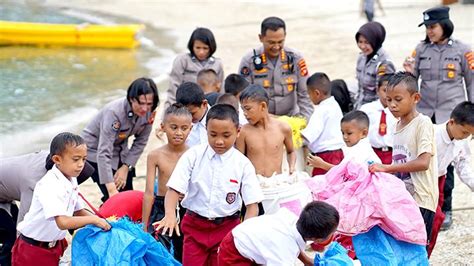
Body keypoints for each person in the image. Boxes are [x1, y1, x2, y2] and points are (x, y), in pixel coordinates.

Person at [155, 104, 263, 266]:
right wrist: (170, 214)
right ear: (206, 130)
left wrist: (244, 232)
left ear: (238, 131)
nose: (219, 141)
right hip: (194, 226)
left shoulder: (243, 164)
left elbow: (252, 205)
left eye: (226, 135)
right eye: (213, 135)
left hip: (227, 228)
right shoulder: (193, 156)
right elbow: (174, 190)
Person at [403, 6, 472, 230]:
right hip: (426, 114)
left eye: (433, 27)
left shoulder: (463, 50)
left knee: (448, 165)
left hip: (451, 115)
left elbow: (472, 83)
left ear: (445, 25)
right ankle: (423, 207)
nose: (430, 31)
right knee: (425, 161)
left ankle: (446, 209)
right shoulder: (421, 49)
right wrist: (407, 72)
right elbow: (410, 82)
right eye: (427, 28)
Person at [11, 132, 111, 265]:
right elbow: (62, 222)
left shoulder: (71, 178)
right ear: (57, 159)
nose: (81, 164)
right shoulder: (50, 184)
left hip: (56, 244)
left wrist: (103, 221)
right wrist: (94, 220)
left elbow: (79, 211)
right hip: (33, 248)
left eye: (84, 159)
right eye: (76, 159)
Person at [369, 72, 438, 248]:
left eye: (398, 99)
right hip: (404, 198)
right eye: (389, 99)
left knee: (415, 251)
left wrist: (386, 168)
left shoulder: (422, 123)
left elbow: (423, 162)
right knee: (401, 250)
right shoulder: (398, 125)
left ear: (415, 98)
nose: (392, 105)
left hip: (421, 200)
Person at [0, 151, 94, 266]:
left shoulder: (56, 160)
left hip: (6, 189)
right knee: (11, 238)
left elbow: (70, 208)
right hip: (5, 193)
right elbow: (24, 226)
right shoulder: (38, 183)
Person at [82, 77, 159, 202]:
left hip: (119, 149)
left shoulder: (150, 112)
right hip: (94, 151)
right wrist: (111, 189)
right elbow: (103, 152)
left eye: (149, 104)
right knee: (113, 196)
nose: (145, 109)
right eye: (141, 103)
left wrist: (126, 167)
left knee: (127, 191)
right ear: (131, 99)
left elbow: (141, 142)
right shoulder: (114, 113)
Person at [142, 104, 192, 262]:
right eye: (174, 127)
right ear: (163, 127)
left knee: (182, 250)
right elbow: (149, 193)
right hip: (161, 207)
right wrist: (144, 225)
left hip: (186, 207)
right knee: (160, 251)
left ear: (190, 129)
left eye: (184, 128)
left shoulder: (193, 154)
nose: (179, 133)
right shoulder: (155, 155)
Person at [218, 201, 340, 266]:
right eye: (332, 232)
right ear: (318, 239)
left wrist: (307, 261)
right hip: (234, 252)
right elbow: (287, 248)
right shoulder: (283, 254)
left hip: (247, 236)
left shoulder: (293, 219)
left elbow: (294, 244)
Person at [238, 16, 314, 121]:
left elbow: (305, 95)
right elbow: (243, 97)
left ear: (285, 36)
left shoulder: (296, 59)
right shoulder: (249, 61)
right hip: (261, 121)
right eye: (271, 42)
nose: (276, 46)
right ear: (261, 38)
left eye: (280, 42)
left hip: (291, 119)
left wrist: (305, 123)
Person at [428, 101, 474, 256]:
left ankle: (425, 256)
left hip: (438, 181)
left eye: (470, 135)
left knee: (435, 222)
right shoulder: (431, 133)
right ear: (452, 122)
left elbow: (462, 165)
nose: (465, 137)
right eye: (464, 132)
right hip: (419, 181)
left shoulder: (461, 141)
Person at [236, 84, 296, 177]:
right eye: (243, 110)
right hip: (254, 184)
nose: (245, 114)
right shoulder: (243, 132)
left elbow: (291, 151)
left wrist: (291, 168)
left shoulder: (283, 128)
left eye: (248, 109)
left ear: (263, 106)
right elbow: (239, 160)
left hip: (276, 183)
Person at [164, 27, 224, 111]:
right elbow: (173, 88)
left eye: (205, 48)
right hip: (184, 107)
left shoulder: (217, 64)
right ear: (192, 46)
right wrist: (171, 111)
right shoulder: (182, 60)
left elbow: (221, 90)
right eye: (198, 48)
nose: (201, 52)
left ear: (211, 47)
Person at [301, 73, 345, 176]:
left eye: (309, 94)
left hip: (325, 156)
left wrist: (294, 132)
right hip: (338, 153)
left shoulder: (321, 110)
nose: (309, 97)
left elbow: (309, 134)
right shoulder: (334, 105)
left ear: (316, 93)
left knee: (321, 185)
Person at [307, 110, 381, 171]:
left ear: (364, 133)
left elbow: (345, 172)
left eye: (349, 133)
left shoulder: (362, 150)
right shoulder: (354, 147)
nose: (345, 137)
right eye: (343, 133)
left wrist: (322, 164)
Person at [355, 21, 395, 109]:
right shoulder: (361, 57)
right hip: (360, 105)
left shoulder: (384, 63)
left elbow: (384, 95)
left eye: (367, 42)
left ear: (375, 41)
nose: (362, 46)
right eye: (360, 42)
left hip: (374, 110)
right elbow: (360, 88)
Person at [360, 74, 397, 164]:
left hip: (393, 154)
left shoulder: (398, 110)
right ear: (377, 90)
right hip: (372, 154)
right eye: (384, 90)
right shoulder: (366, 109)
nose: (387, 95)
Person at [176, 82, 209, 147]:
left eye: (192, 114)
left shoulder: (218, 119)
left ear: (204, 104)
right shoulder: (180, 124)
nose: (189, 118)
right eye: (185, 113)